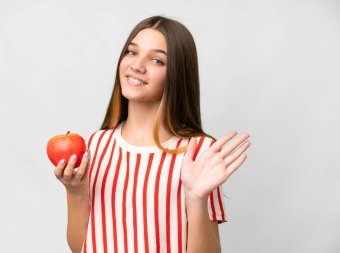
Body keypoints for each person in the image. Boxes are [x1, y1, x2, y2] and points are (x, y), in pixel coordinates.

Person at [54, 15, 251, 253]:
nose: (137, 66)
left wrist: (197, 199)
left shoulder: (199, 152)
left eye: (157, 60)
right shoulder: (96, 145)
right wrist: (75, 192)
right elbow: (82, 248)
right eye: (132, 52)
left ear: (177, 74)